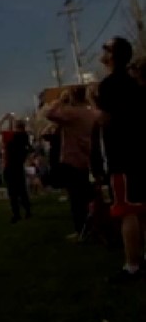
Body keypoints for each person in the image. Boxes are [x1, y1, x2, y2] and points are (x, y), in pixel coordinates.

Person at [95, 37, 146, 282]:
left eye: (106, 48)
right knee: (141, 208)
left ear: (113, 55)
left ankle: (132, 265)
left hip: (120, 155)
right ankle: (141, 257)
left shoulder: (108, 85)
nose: (102, 52)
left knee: (126, 211)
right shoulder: (134, 84)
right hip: (138, 153)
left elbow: (105, 119)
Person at [46, 87, 98, 240]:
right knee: (88, 194)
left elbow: (49, 114)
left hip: (72, 157)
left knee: (76, 197)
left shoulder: (72, 113)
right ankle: (93, 225)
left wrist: (60, 101)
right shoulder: (90, 113)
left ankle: (80, 230)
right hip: (87, 155)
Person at [3, 119, 33, 223]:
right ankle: (28, 211)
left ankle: (16, 214)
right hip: (19, 167)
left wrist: (5, 118)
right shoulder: (24, 137)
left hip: (10, 167)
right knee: (22, 190)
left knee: (12, 193)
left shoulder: (12, 137)